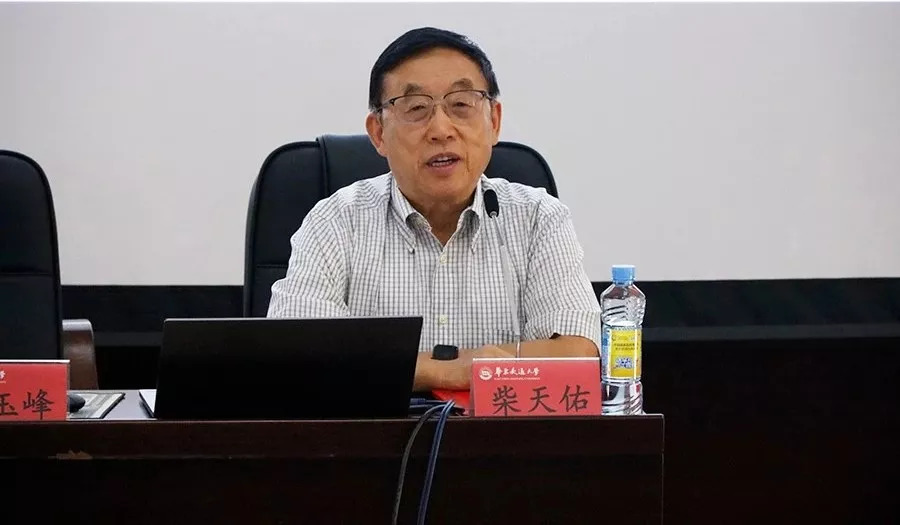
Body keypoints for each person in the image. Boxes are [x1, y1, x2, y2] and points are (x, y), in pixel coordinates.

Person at [268, 27, 600, 391]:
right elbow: (296, 357)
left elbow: (577, 353)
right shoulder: (335, 222)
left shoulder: (538, 218)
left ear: (494, 121)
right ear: (378, 132)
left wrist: (394, 368)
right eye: (416, 108)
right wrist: (451, 371)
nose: (441, 129)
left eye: (461, 105)